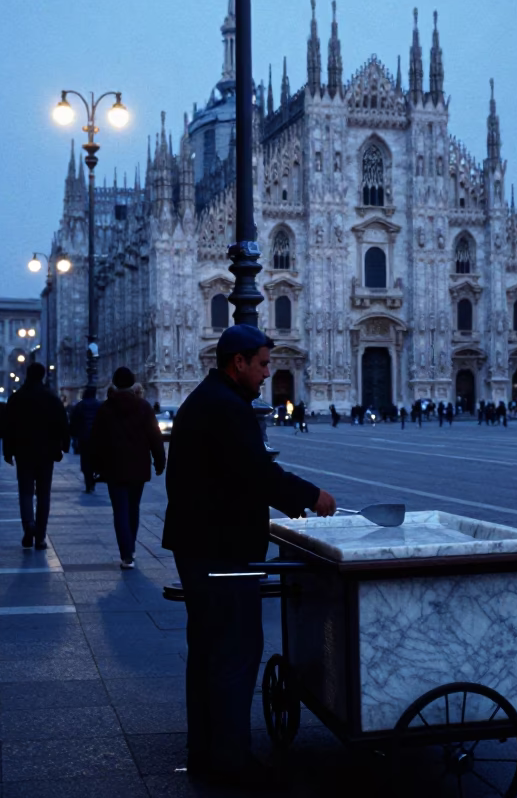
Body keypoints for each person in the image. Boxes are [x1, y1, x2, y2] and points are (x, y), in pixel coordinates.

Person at [163, 325, 336, 789]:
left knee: (208, 654)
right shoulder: (225, 407)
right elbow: (256, 472)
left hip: (201, 544)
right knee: (235, 653)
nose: (266, 375)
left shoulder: (209, 400)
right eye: (261, 364)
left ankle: (205, 750)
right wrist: (310, 496)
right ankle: (230, 759)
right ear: (237, 362)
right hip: (220, 551)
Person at [90, 367, 166, 570]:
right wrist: (160, 462)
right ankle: (130, 547)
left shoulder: (106, 408)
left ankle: (126, 555)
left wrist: (95, 466)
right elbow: (155, 437)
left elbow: (96, 440)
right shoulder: (143, 407)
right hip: (138, 467)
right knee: (133, 508)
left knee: (120, 511)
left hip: (113, 468)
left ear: (114, 383)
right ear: (133, 383)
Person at [3, 363, 70, 550]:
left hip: (23, 452)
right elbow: (63, 423)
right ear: (43, 376)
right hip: (46, 452)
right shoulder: (51, 398)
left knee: (25, 492)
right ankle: (40, 536)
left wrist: (7, 451)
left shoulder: (16, 398)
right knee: (43, 494)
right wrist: (65, 444)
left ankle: (28, 526)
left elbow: (8, 427)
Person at [69, 386, 101, 493]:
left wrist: (74, 436)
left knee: (86, 461)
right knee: (96, 460)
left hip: (84, 437)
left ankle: (88, 483)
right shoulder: (99, 405)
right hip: (97, 438)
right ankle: (94, 477)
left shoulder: (80, 405)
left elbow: (73, 421)